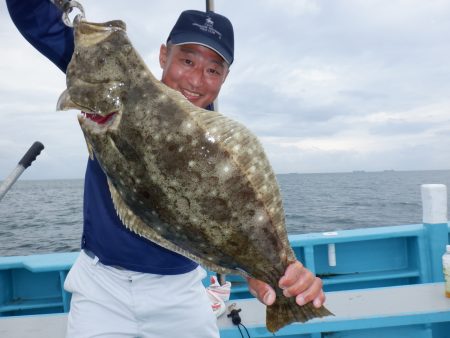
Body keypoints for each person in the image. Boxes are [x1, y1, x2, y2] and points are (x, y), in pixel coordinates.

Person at [7, 1, 326, 337]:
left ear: (224, 78)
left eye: (213, 70)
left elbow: (226, 227)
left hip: (180, 292)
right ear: (163, 56)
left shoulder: (217, 150)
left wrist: (264, 273)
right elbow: (34, 17)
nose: (196, 80)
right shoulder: (114, 84)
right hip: (101, 288)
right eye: (187, 60)